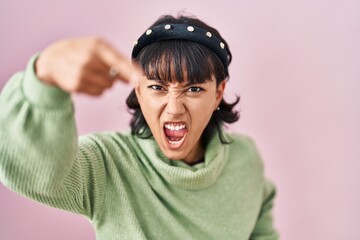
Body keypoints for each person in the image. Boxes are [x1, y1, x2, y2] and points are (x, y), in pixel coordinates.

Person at [0, 14, 279, 239]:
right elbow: (29, 172)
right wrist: (44, 79)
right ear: (139, 90)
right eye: (157, 87)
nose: (174, 107)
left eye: (193, 89)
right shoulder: (108, 163)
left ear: (218, 93)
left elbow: (261, 230)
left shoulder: (245, 158)